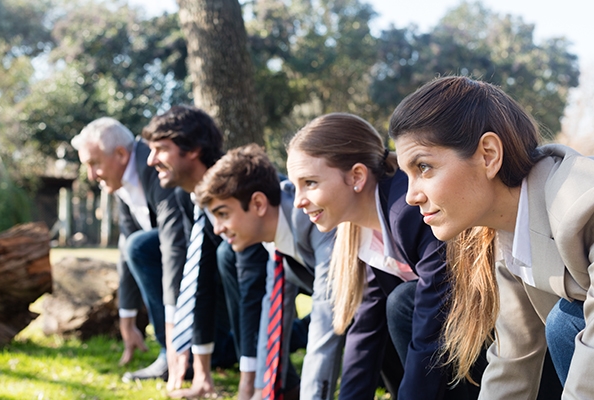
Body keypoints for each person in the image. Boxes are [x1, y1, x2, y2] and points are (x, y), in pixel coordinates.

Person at [389, 75, 587, 398]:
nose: (411, 196)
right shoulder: (509, 237)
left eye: (423, 167)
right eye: (406, 175)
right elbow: (512, 362)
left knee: (566, 323)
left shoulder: (580, 203)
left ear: (488, 155)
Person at [287, 112, 481, 400]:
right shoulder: (359, 234)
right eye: (296, 185)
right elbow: (364, 332)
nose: (298, 200)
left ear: (356, 176)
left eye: (310, 183)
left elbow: (432, 317)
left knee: (404, 301)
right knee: (389, 311)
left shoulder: (408, 211)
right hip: (447, 337)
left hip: (488, 333)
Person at [194, 144, 344, 400]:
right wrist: (261, 391)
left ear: (258, 203)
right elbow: (273, 313)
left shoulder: (314, 222)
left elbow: (325, 323)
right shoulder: (275, 235)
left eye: (223, 214)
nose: (217, 228)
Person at [70, 117, 187, 381]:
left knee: (140, 245)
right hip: (176, 266)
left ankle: (173, 352)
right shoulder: (123, 182)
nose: (91, 175)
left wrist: (171, 327)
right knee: (134, 245)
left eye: (95, 164)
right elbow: (126, 249)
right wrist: (127, 318)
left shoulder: (155, 166)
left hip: (204, 262)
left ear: (121, 154)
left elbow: (174, 243)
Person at [142, 104, 239, 399]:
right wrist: (202, 377)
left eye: (160, 149)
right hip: (234, 287)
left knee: (227, 259)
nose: (150, 160)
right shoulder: (187, 198)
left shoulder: (237, 187)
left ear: (193, 149)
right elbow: (200, 279)